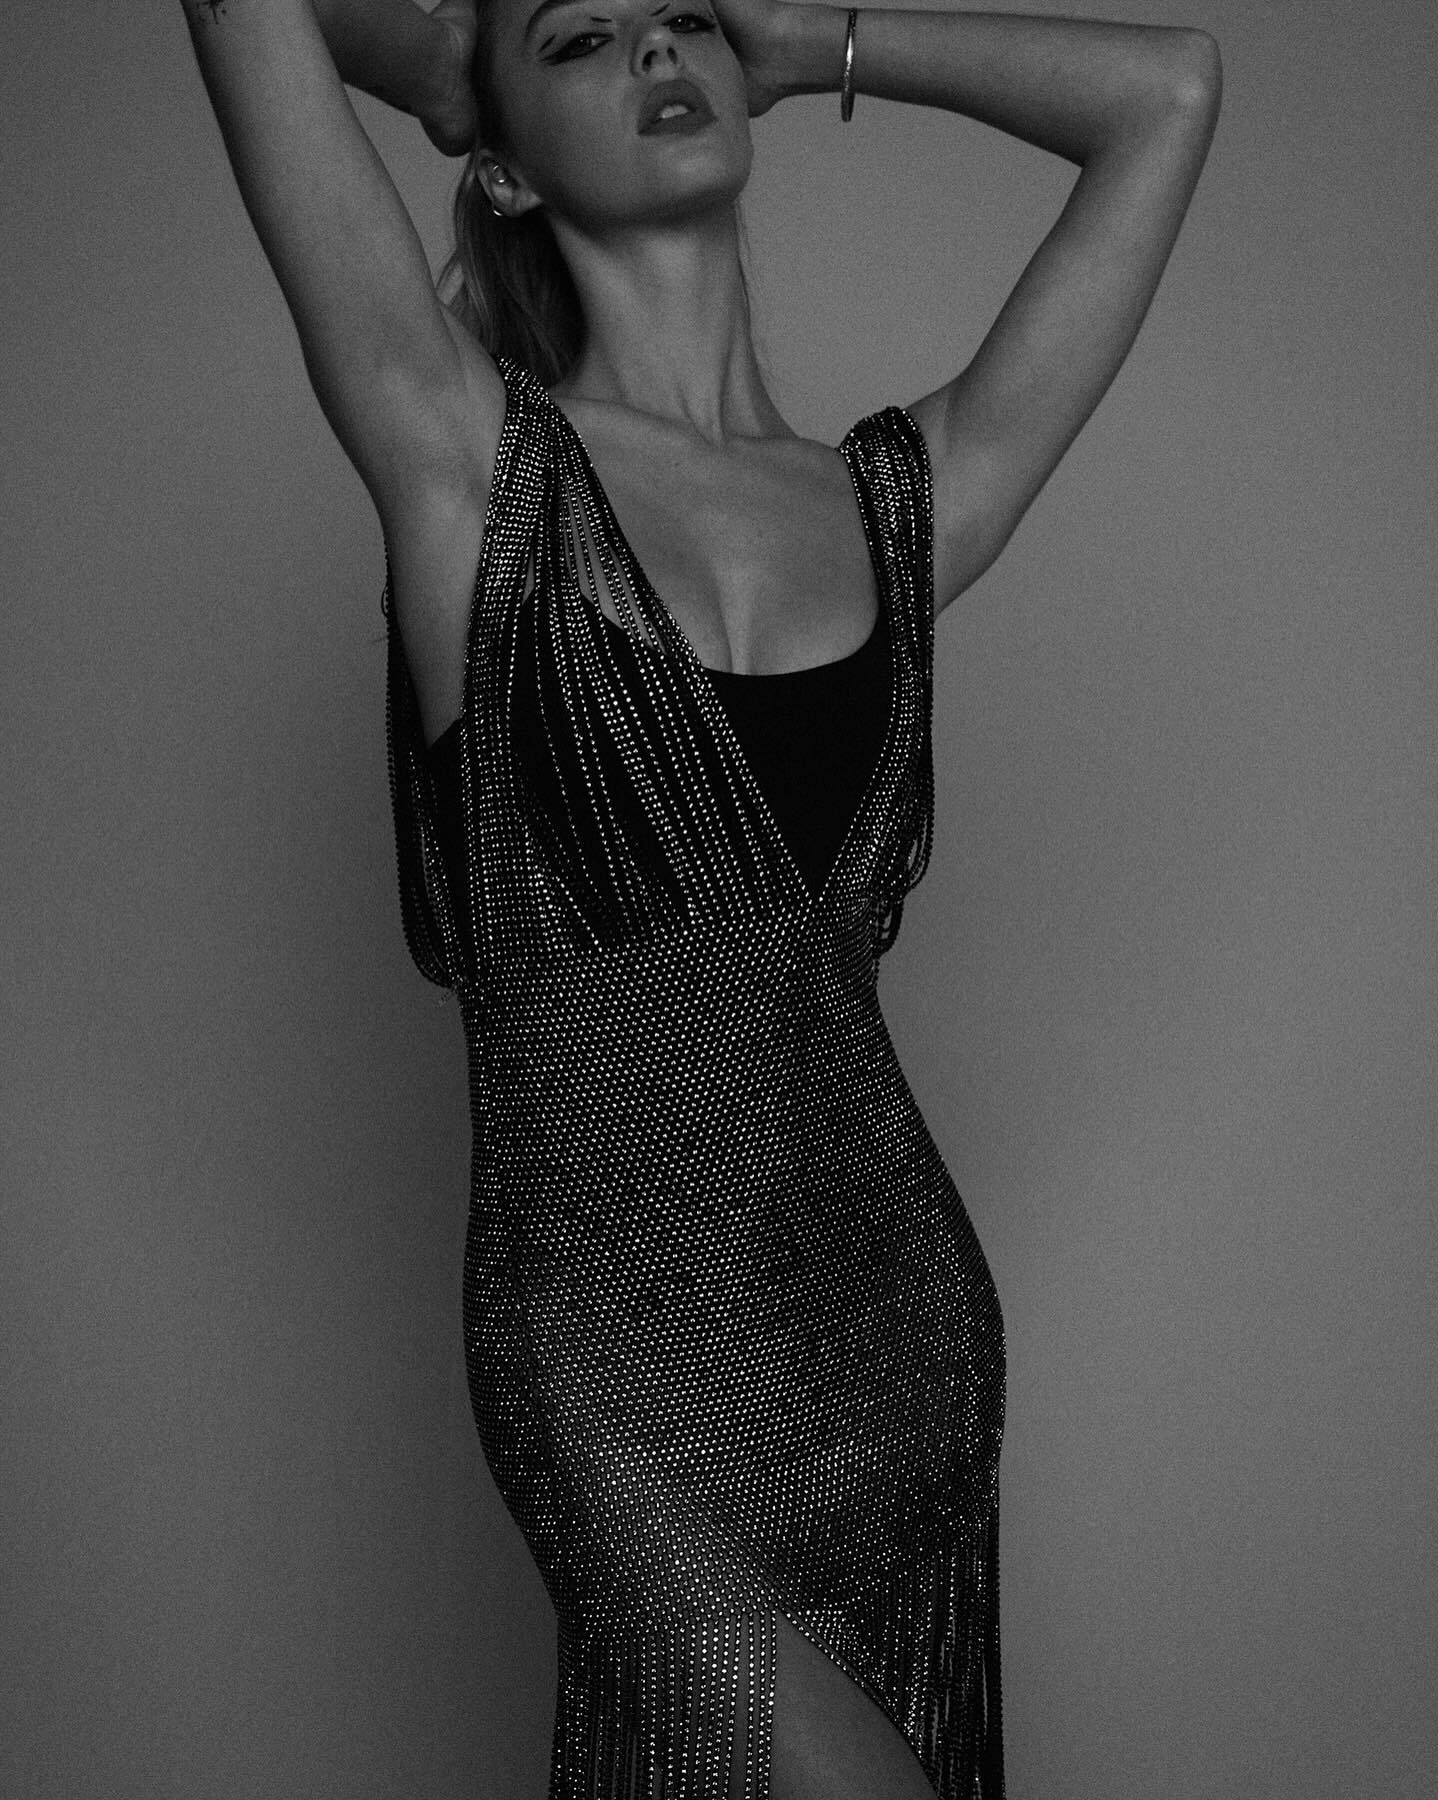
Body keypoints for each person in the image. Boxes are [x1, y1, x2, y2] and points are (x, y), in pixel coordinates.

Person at [180, 1, 1220, 1793]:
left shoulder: (900, 506)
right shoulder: (466, 470)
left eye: (686, 20)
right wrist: (437, 62)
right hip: (615, 1384)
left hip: (897, 1349)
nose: (659, 52)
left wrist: (813, 41)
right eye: (585, 38)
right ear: (502, 162)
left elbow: (1169, 93)